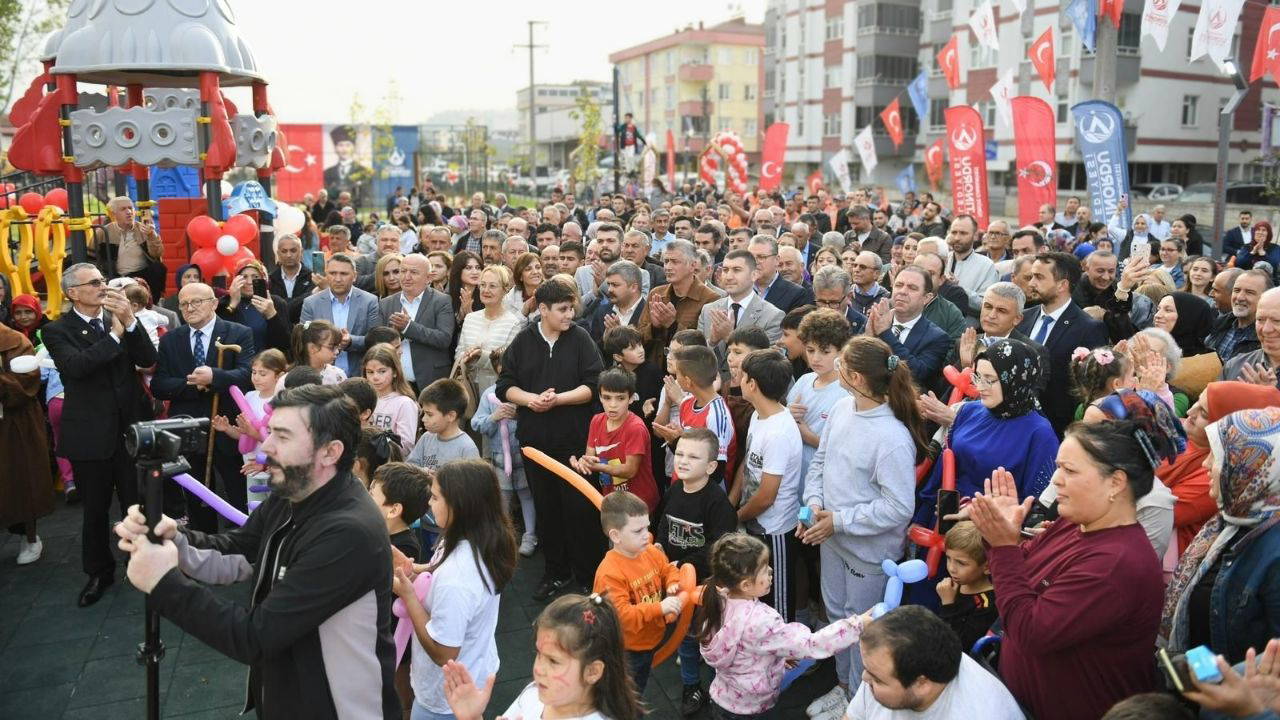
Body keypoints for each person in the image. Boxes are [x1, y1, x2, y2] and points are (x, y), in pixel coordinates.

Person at [114, 384, 400, 718]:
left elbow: (255, 637)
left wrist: (164, 584)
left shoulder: (349, 534)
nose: (265, 446)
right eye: (270, 432)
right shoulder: (293, 492)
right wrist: (175, 539)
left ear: (329, 452)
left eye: (282, 436)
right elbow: (240, 551)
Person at [967, 419, 1179, 720]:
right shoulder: (1076, 522)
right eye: (1058, 468)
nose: (1056, 480)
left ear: (1116, 483)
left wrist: (1003, 546)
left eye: (1069, 470)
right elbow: (1021, 569)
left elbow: (1030, 631)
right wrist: (1005, 535)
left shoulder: (1115, 565)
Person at [799, 335, 925, 704]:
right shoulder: (842, 408)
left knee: (862, 628)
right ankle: (842, 686)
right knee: (838, 617)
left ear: (855, 377)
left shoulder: (892, 437)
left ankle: (857, 698)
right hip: (832, 541)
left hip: (868, 556)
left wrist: (838, 520)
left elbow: (898, 507)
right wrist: (813, 504)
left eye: (841, 363)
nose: (834, 366)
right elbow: (821, 461)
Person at [497, 280, 606, 600]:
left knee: (580, 509)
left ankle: (587, 575)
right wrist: (531, 400)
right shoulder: (523, 340)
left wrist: (558, 400)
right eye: (562, 309)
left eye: (571, 308)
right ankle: (556, 572)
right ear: (542, 309)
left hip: (574, 442)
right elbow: (505, 385)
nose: (569, 314)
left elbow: (593, 385)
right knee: (547, 510)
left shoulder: (581, 338)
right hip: (535, 444)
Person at [698, 533, 871, 719]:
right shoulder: (761, 620)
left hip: (723, 700)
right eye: (764, 569)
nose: (771, 571)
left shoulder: (718, 601)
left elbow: (740, 650)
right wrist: (857, 625)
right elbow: (811, 644)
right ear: (746, 585)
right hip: (753, 710)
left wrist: (772, 657)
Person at [393, 459, 516, 720]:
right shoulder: (479, 537)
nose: (429, 503)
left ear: (459, 505)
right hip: (473, 671)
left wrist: (408, 596)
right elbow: (440, 566)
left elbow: (444, 653)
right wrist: (417, 570)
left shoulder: (457, 578)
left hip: (447, 699)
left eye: (435, 497)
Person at [1161, 407, 1280, 665]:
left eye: (1217, 457)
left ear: (1251, 468)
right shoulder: (1229, 520)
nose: (1206, 464)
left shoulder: (1274, 551)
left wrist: (1231, 683)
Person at [914, 338, 1059, 527]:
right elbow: (941, 470)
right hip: (943, 516)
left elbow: (1036, 502)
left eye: (989, 380)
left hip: (989, 528)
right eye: (977, 377)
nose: (980, 387)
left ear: (1014, 380)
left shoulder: (1040, 433)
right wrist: (922, 518)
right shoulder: (967, 411)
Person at [439, 593, 645, 720]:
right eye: (539, 655)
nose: (538, 669)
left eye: (553, 661)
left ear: (592, 671)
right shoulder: (533, 694)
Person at [151, 281, 255, 530]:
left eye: (196, 302)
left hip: (228, 426)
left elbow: (247, 374)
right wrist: (194, 385)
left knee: (236, 493)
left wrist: (215, 377)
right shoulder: (171, 340)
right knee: (197, 497)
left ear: (214, 303)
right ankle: (204, 544)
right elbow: (159, 385)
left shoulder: (238, 333)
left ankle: (242, 543)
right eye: (184, 304)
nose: (189, 308)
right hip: (189, 428)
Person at [656, 428, 738, 714]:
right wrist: (659, 545)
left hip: (707, 588)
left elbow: (719, 546)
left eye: (693, 456)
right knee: (685, 639)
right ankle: (691, 685)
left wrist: (684, 565)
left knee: (714, 641)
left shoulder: (716, 502)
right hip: (678, 586)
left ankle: (719, 689)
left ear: (711, 466)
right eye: (680, 453)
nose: (683, 460)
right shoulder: (675, 490)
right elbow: (663, 523)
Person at [844, 605, 1025, 719]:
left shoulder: (983, 713)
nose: (864, 678)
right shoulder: (883, 664)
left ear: (922, 683)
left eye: (877, 680)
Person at [736, 350, 804, 624]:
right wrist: (731, 505)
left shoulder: (778, 432)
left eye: (743, 376)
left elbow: (766, 496)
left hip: (775, 531)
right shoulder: (759, 415)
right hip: (753, 523)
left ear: (752, 384)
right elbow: (747, 464)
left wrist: (737, 516)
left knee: (777, 605)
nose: (738, 379)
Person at [590, 491, 682, 694]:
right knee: (627, 694)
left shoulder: (649, 551)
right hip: (627, 649)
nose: (646, 535)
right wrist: (659, 608)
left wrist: (672, 583)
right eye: (638, 530)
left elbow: (667, 569)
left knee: (639, 686)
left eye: (647, 527)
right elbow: (621, 616)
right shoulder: (610, 573)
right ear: (615, 536)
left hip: (648, 640)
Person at [1017, 252, 1110, 435]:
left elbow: (1088, 387)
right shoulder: (1023, 318)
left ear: (1062, 285)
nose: (1031, 283)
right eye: (1031, 276)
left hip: (1056, 429)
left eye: (1039, 277)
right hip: (1016, 422)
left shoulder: (1089, 328)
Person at [470, 349, 536, 558]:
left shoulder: (526, 392)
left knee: (527, 495)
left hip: (524, 454)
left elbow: (537, 420)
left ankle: (530, 534)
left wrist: (519, 416)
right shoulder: (489, 394)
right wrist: (494, 417)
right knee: (503, 498)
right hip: (499, 456)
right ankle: (504, 537)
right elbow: (476, 423)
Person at [0, 320, 54, 564]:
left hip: (12, 426)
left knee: (18, 482)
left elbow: (25, 388)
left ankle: (29, 537)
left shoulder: (14, 341)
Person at [571, 369, 659, 512]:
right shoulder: (596, 421)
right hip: (612, 500)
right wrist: (582, 463)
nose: (613, 404)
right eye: (607, 397)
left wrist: (598, 467)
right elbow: (590, 457)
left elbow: (629, 470)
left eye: (620, 398)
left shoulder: (635, 428)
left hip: (639, 503)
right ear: (600, 397)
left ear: (631, 398)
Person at [789, 309, 853, 484]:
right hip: (794, 475)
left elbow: (848, 450)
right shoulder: (804, 381)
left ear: (842, 351)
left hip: (825, 480)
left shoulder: (848, 392)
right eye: (810, 350)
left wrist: (808, 436)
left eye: (825, 352)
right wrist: (787, 416)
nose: (816, 358)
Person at [699, 249, 785, 379]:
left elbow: (770, 366)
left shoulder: (773, 316)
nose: (729, 276)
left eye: (737, 270)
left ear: (754, 275)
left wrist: (729, 337)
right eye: (725, 270)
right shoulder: (708, 310)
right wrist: (712, 342)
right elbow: (695, 360)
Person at [379, 253, 454, 394]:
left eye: (413, 272)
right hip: (396, 384)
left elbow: (444, 339)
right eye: (403, 271)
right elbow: (378, 343)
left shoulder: (442, 301)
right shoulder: (385, 303)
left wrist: (408, 327)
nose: (406, 277)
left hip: (432, 382)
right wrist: (395, 334)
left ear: (429, 278)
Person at [866, 266, 952, 389]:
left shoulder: (937, 337)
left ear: (926, 298)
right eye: (899, 285)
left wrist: (885, 333)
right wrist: (867, 338)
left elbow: (918, 374)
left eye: (912, 288)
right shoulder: (877, 319)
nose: (902, 291)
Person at [644, 239, 721, 372]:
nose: (668, 267)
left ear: (692, 265)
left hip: (688, 374)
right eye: (666, 261)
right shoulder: (656, 294)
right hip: (654, 372)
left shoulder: (711, 298)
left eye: (675, 262)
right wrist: (654, 327)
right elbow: (638, 340)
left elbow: (705, 346)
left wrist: (673, 325)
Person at [301, 253, 383, 377]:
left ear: (354, 276)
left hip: (359, 375)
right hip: (322, 377)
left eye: (344, 274)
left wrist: (351, 341)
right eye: (333, 273)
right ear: (326, 274)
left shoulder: (369, 301)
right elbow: (303, 340)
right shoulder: (311, 303)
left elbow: (375, 340)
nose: (338, 279)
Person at [406, 379, 480, 475]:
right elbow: (410, 467)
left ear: (451, 416)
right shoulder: (426, 438)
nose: (423, 419)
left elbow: (472, 481)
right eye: (424, 413)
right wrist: (422, 472)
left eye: (429, 414)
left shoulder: (467, 448)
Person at [219, 259, 291, 356]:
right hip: (235, 361)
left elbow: (285, 344)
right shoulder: (224, 303)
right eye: (244, 277)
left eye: (255, 277)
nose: (249, 282)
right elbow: (219, 337)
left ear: (264, 279)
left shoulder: (276, 302)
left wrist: (272, 315)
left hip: (267, 361)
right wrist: (233, 304)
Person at [99, 195, 166, 293]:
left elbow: (157, 254)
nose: (129, 212)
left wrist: (151, 235)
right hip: (115, 275)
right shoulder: (103, 232)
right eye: (123, 209)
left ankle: (154, 300)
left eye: (131, 208)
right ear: (114, 214)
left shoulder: (143, 229)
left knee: (159, 268)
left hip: (141, 274)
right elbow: (91, 257)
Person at [1220, 286, 1280, 388]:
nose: (1266, 329)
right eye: (1260, 319)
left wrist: (1270, 395)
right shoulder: (1235, 366)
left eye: (1277, 321)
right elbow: (1215, 398)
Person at [369, 461, 430, 560]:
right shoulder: (374, 529)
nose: (365, 498)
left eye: (371, 494)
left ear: (393, 510)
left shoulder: (405, 549)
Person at [364, 343, 419, 451]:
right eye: (370, 372)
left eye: (382, 371)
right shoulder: (364, 399)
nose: (375, 377)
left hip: (391, 460)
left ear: (395, 372)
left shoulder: (404, 403)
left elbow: (406, 445)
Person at [1209, 268, 1271, 363]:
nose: (1240, 297)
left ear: (1265, 298)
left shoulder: (1269, 338)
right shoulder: (1219, 323)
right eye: (1237, 290)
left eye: (1249, 292)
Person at [945, 215, 999, 314]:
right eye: (954, 232)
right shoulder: (941, 260)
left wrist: (959, 289)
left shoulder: (987, 265)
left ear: (975, 235)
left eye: (963, 233)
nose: (957, 238)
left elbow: (987, 305)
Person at [751, 234, 815, 313]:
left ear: (776, 260)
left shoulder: (797, 294)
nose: (755, 262)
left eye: (761, 257)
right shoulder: (740, 287)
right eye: (751, 257)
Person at [268, 233, 316, 323]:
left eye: (293, 251)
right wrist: (310, 294)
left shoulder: (313, 278)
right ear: (278, 253)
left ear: (301, 252)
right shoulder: (270, 279)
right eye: (284, 251)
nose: (289, 255)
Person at [286, 319, 348, 387]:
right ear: (312, 348)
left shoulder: (338, 375)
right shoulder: (289, 379)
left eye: (337, 346)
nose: (337, 351)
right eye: (331, 347)